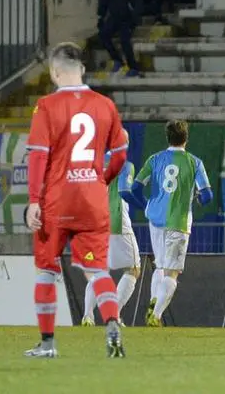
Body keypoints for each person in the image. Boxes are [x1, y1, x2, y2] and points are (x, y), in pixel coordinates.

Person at [24, 42, 129, 358]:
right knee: (97, 272)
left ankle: (47, 344)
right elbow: (121, 154)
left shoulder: (46, 106)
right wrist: (102, 180)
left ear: (55, 73)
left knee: (46, 271)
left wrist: (33, 200)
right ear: (82, 69)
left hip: (57, 200)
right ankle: (111, 325)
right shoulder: (105, 105)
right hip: (93, 200)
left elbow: (38, 157)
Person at [124, 120, 213, 327]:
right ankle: (155, 316)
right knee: (172, 272)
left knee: (161, 265)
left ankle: (153, 301)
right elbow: (207, 195)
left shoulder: (154, 160)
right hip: (178, 222)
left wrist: (148, 205)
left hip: (155, 220)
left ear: (168, 138)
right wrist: (199, 199)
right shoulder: (194, 162)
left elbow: (135, 188)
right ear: (186, 138)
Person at [82, 133, 140, 326]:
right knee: (133, 268)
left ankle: (87, 316)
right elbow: (124, 190)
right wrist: (143, 205)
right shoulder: (125, 165)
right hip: (116, 221)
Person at [98, 0, 142, 75]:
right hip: (114, 18)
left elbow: (137, 3)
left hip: (126, 19)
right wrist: (100, 17)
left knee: (125, 41)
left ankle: (133, 67)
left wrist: (134, 18)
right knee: (103, 35)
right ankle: (117, 60)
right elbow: (104, 1)